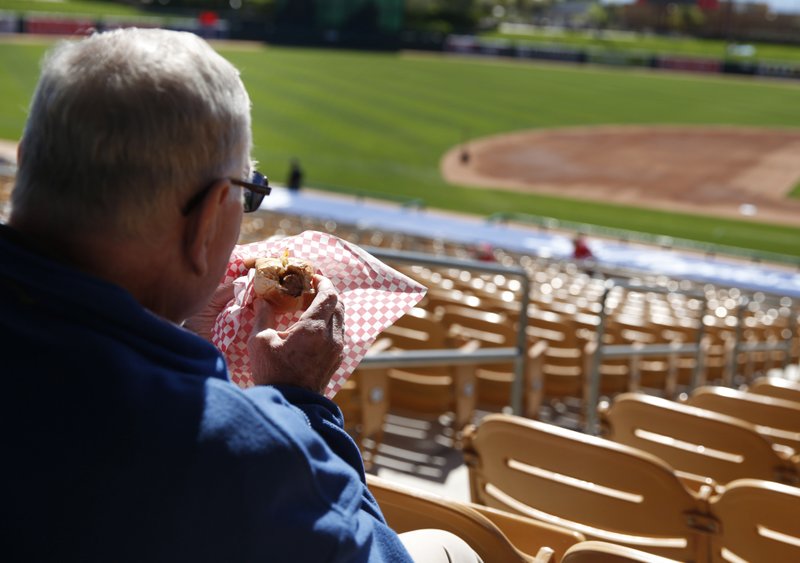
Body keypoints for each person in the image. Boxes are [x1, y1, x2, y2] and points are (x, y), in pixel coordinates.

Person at [1, 29, 480, 562]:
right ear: (207, 218)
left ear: (27, 162)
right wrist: (302, 403)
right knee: (449, 547)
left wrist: (188, 342)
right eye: (248, 193)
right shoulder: (233, 451)